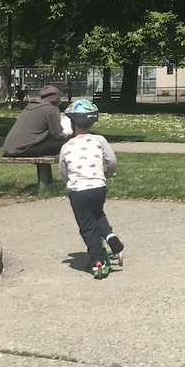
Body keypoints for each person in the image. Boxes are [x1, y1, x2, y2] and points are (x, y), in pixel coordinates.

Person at [58, 99, 124, 280]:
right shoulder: (100, 140)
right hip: (98, 187)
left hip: (77, 191)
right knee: (98, 214)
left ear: (72, 123)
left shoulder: (66, 146)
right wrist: (108, 173)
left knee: (87, 225)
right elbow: (112, 161)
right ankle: (110, 236)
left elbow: (63, 170)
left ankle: (97, 260)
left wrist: (67, 182)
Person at [2, 85, 68, 157]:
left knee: (46, 143)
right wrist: (69, 135)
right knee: (69, 143)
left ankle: (44, 168)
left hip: (10, 148)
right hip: (23, 149)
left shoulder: (31, 106)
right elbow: (57, 135)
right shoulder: (51, 109)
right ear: (56, 98)